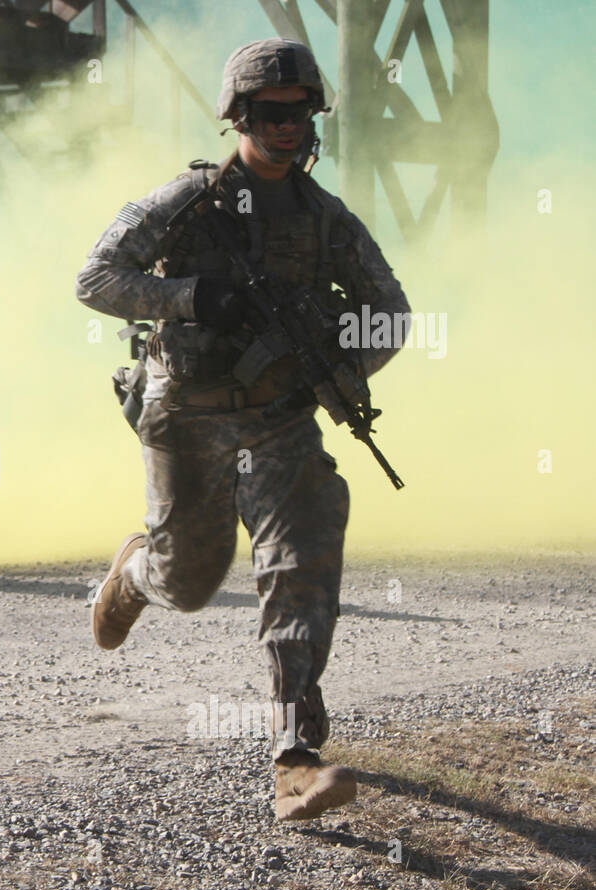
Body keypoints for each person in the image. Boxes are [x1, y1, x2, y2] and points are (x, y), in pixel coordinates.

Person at [75, 38, 411, 821]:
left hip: (282, 417)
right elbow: (95, 280)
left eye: (299, 113)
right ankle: (134, 576)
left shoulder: (325, 218)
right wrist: (194, 298)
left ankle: (294, 757)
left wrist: (333, 369)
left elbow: (389, 315)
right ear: (239, 115)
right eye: (271, 113)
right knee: (191, 580)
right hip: (186, 411)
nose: (288, 127)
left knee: (301, 558)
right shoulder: (188, 202)